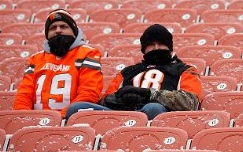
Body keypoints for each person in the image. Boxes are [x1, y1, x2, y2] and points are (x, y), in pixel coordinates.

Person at [65, 24, 202, 120]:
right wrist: (122, 99)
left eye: (161, 44)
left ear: (169, 47)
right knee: (77, 109)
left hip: (157, 114)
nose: (156, 48)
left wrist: (149, 94)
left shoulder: (184, 70)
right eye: (151, 45)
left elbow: (190, 102)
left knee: (152, 108)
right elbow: (106, 100)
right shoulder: (127, 72)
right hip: (121, 113)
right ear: (144, 49)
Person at [13, 9, 103, 117]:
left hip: (70, 120)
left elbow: (89, 92)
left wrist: (61, 118)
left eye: (63, 26)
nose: (58, 30)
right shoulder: (35, 59)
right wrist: (24, 118)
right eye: (53, 28)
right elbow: (24, 94)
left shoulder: (88, 53)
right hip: (36, 121)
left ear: (74, 31)